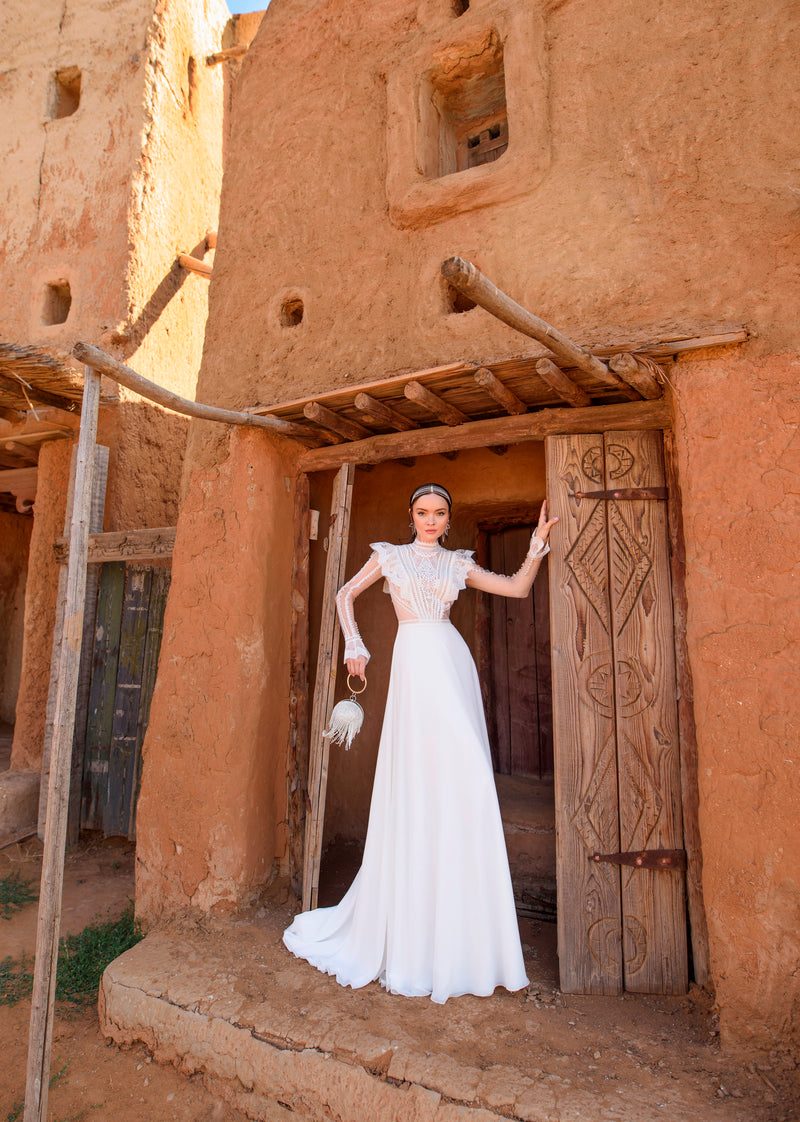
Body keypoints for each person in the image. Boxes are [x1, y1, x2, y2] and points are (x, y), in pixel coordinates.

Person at [283, 483, 558, 1003]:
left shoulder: (457, 564)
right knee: (418, 786)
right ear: (411, 516)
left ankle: (468, 935)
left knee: (471, 782)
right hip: (414, 664)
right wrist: (356, 647)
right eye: (422, 512)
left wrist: (536, 545)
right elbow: (345, 594)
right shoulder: (389, 557)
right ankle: (415, 926)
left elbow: (518, 589)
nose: (430, 520)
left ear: (449, 520)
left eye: (439, 514)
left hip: (450, 664)